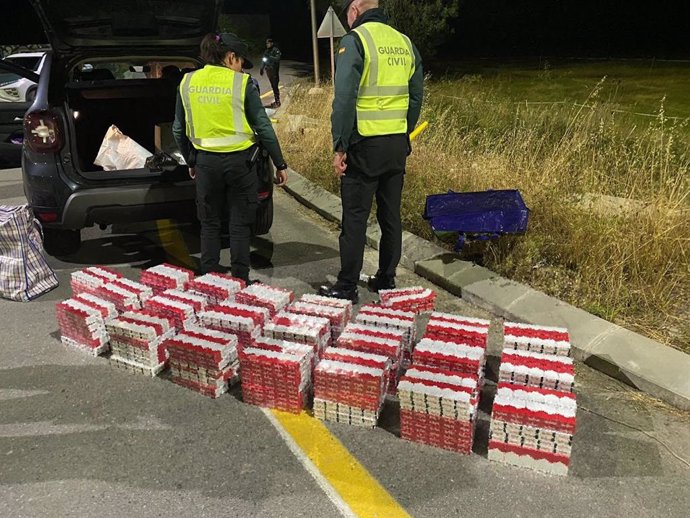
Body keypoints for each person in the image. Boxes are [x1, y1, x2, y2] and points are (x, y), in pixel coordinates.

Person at [319, 0, 424, 303]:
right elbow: (416, 95)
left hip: (364, 145)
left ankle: (347, 285)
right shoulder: (405, 43)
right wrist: (404, 131)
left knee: (354, 217)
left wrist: (340, 145)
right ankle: (386, 279)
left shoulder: (356, 41)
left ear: (355, 10)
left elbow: (344, 98)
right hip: (395, 145)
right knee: (391, 215)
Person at [173, 33, 289, 281]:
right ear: (230, 57)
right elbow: (263, 127)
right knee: (239, 224)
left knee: (210, 223)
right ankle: (240, 279)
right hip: (240, 163)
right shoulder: (242, 84)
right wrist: (280, 164)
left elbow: (178, 130)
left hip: (205, 162)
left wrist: (191, 160)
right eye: (239, 62)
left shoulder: (187, 83)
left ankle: (209, 280)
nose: (240, 68)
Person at [260, 38, 282, 108]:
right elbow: (264, 60)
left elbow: (277, 59)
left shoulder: (275, 50)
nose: (267, 45)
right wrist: (262, 68)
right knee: (273, 85)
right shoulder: (266, 51)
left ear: (272, 43)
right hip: (268, 70)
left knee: (275, 85)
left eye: (269, 43)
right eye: (266, 43)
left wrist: (270, 57)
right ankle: (276, 101)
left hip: (274, 71)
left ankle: (277, 101)